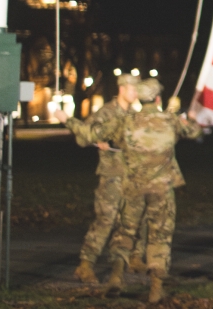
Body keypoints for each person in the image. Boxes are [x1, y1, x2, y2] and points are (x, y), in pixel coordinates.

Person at [91, 79, 202, 303]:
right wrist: (190, 115)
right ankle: (155, 289)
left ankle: (115, 276)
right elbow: (194, 131)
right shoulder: (169, 120)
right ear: (158, 98)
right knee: (159, 235)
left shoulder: (128, 120)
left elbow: (108, 137)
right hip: (161, 188)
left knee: (126, 231)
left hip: (133, 187)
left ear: (140, 99)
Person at [53, 73, 145, 283]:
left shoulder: (134, 113)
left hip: (131, 176)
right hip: (111, 176)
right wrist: (98, 142)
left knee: (130, 221)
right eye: (133, 89)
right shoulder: (106, 113)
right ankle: (86, 264)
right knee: (106, 219)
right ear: (122, 89)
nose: (135, 93)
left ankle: (127, 261)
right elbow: (84, 137)